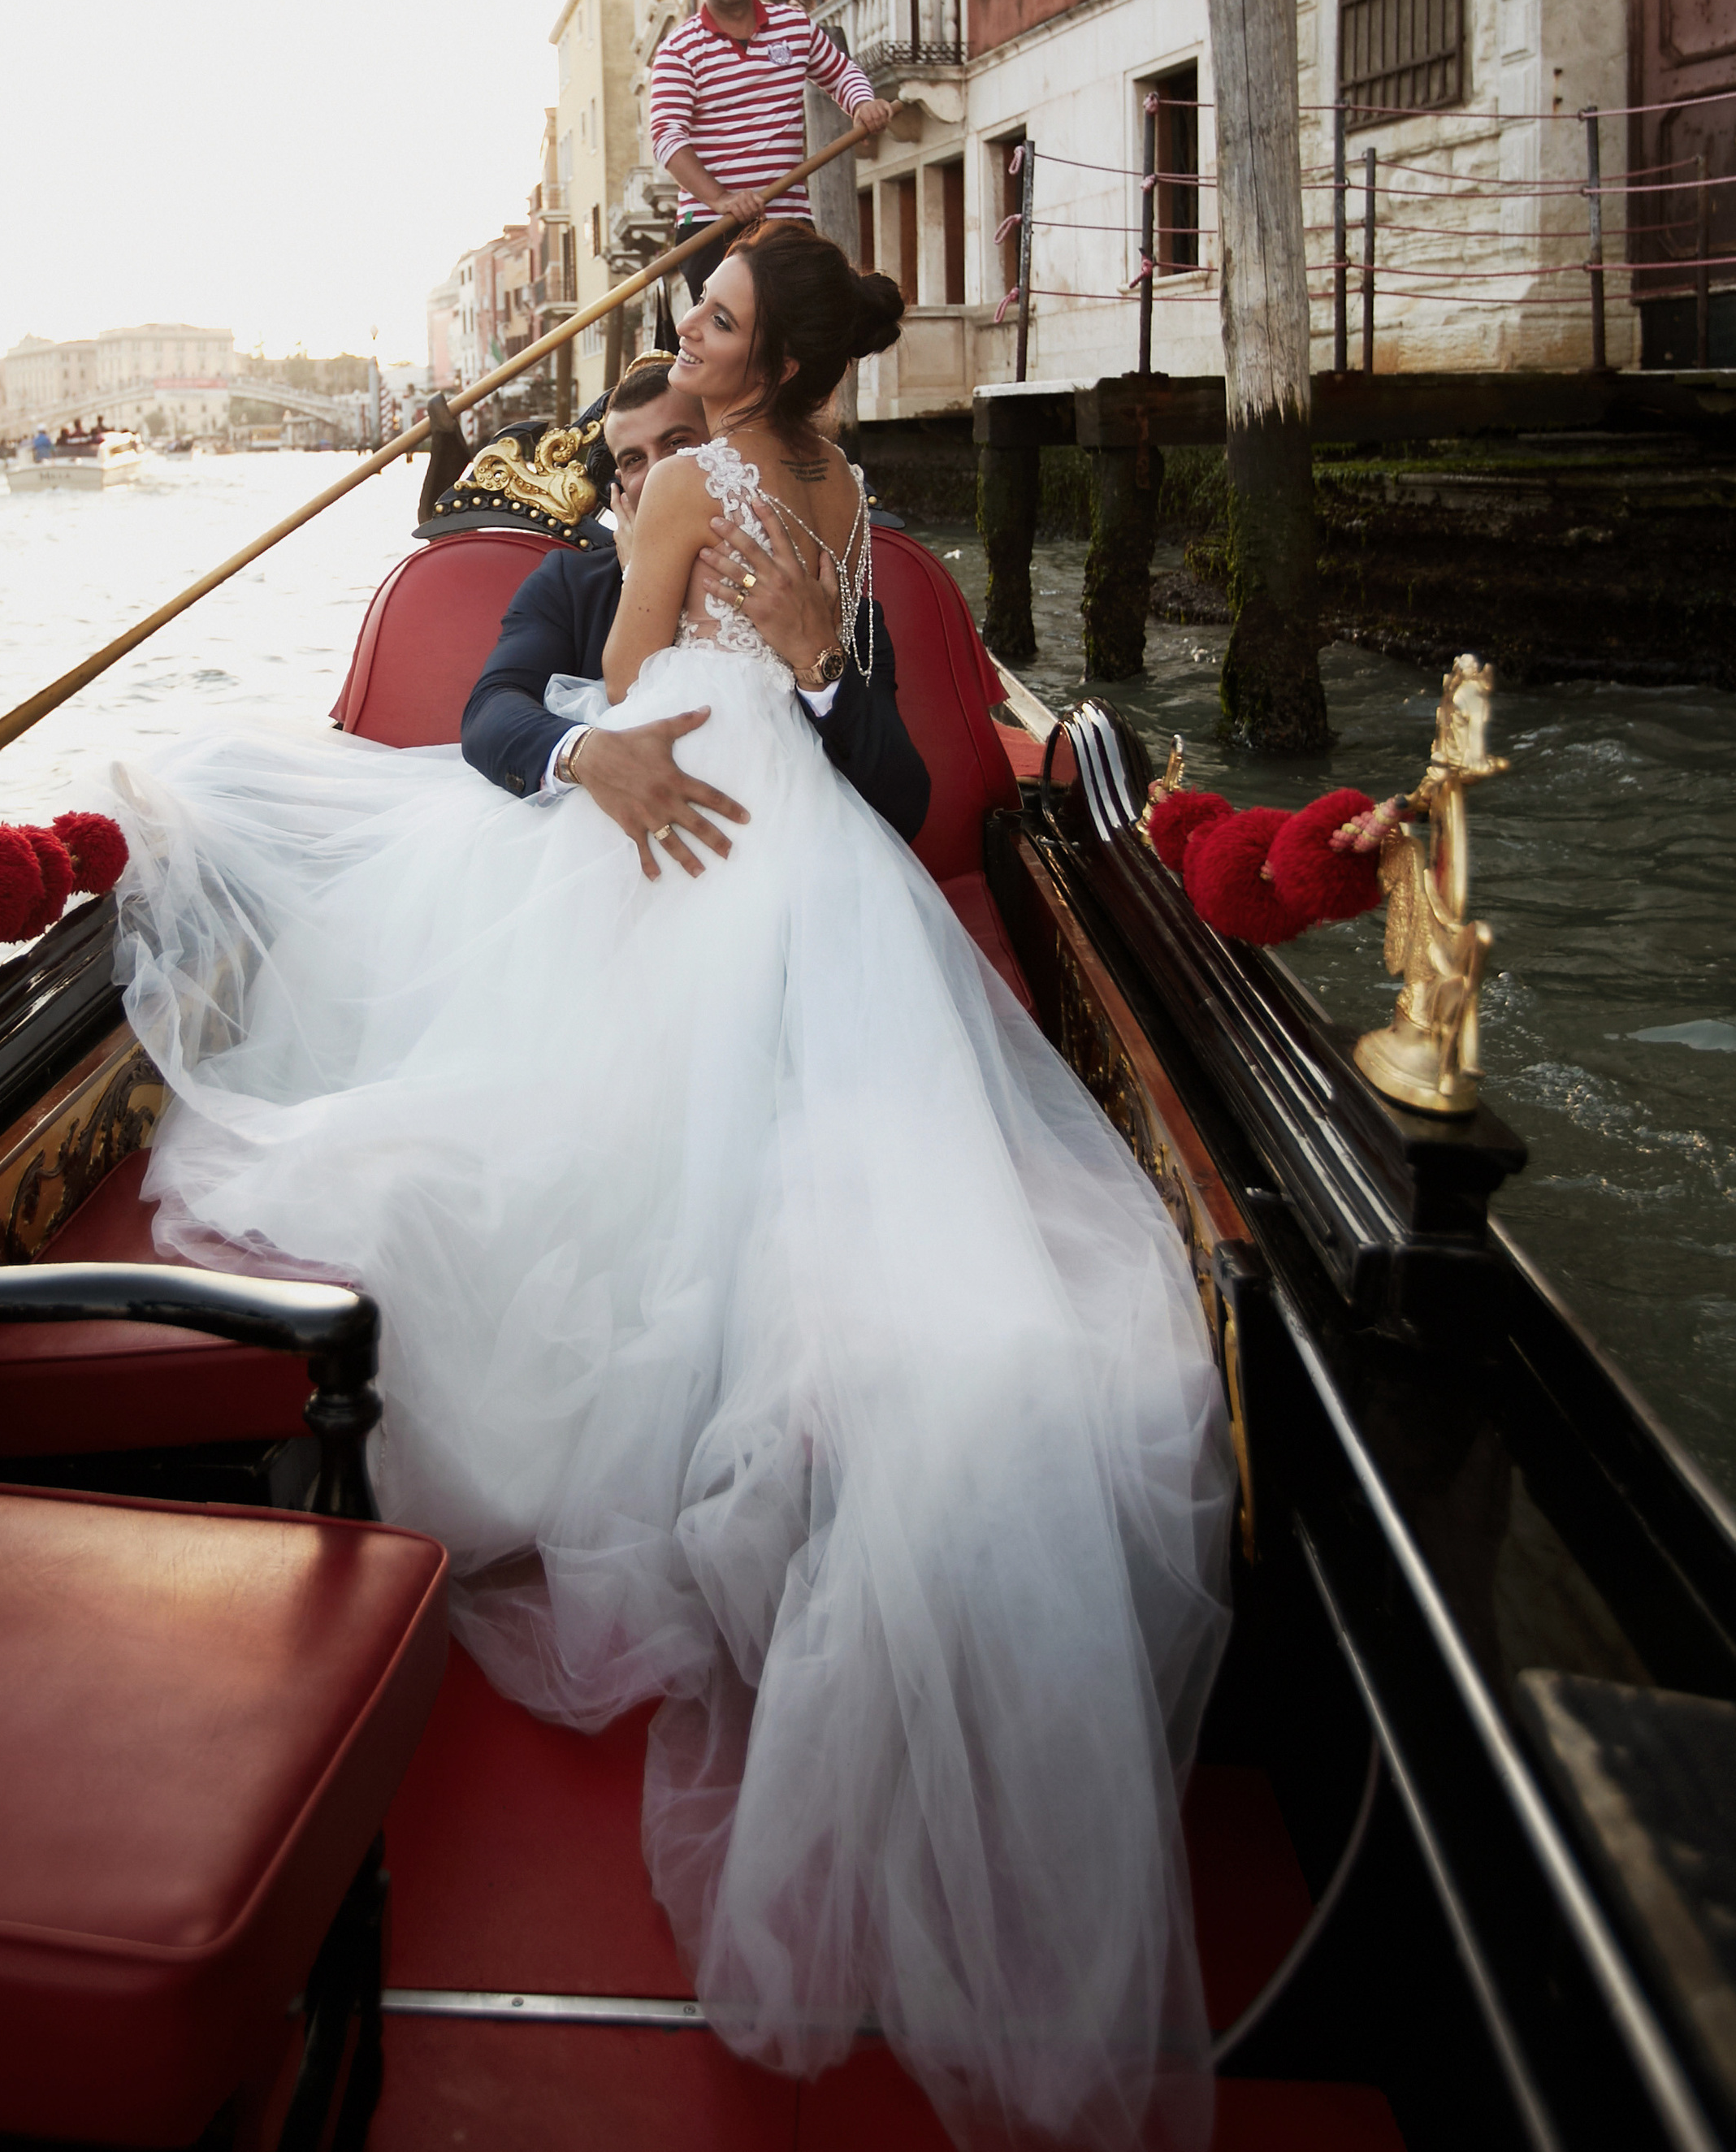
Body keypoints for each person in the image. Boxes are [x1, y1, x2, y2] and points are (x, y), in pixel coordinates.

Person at [112, 221, 1233, 2152]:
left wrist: (750, 693)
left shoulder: (706, 495)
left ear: (750, 372)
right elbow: (516, 715)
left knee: (663, 1112)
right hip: (701, 837)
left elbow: (750, 719)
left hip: (757, 829)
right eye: (666, 345)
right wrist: (605, 751)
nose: (666, 367)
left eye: (702, 330)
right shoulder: (827, 490)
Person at [461, 355, 929, 852]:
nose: (660, 473)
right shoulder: (569, 584)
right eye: (633, 460)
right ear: (617, 486)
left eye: (678, 445)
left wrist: (817, 661)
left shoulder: (820, 591)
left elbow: (902, 805)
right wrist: (588, 753)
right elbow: (490, 712)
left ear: (723, 454)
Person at [649, 0, 896, 288]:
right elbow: (666, 136)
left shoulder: (794, 27)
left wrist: (862, 102)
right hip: (710, 225)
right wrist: (722, 199)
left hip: (787, 218)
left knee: (799, 332)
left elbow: (842, 72)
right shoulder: (678, 50)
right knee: (729, 339)